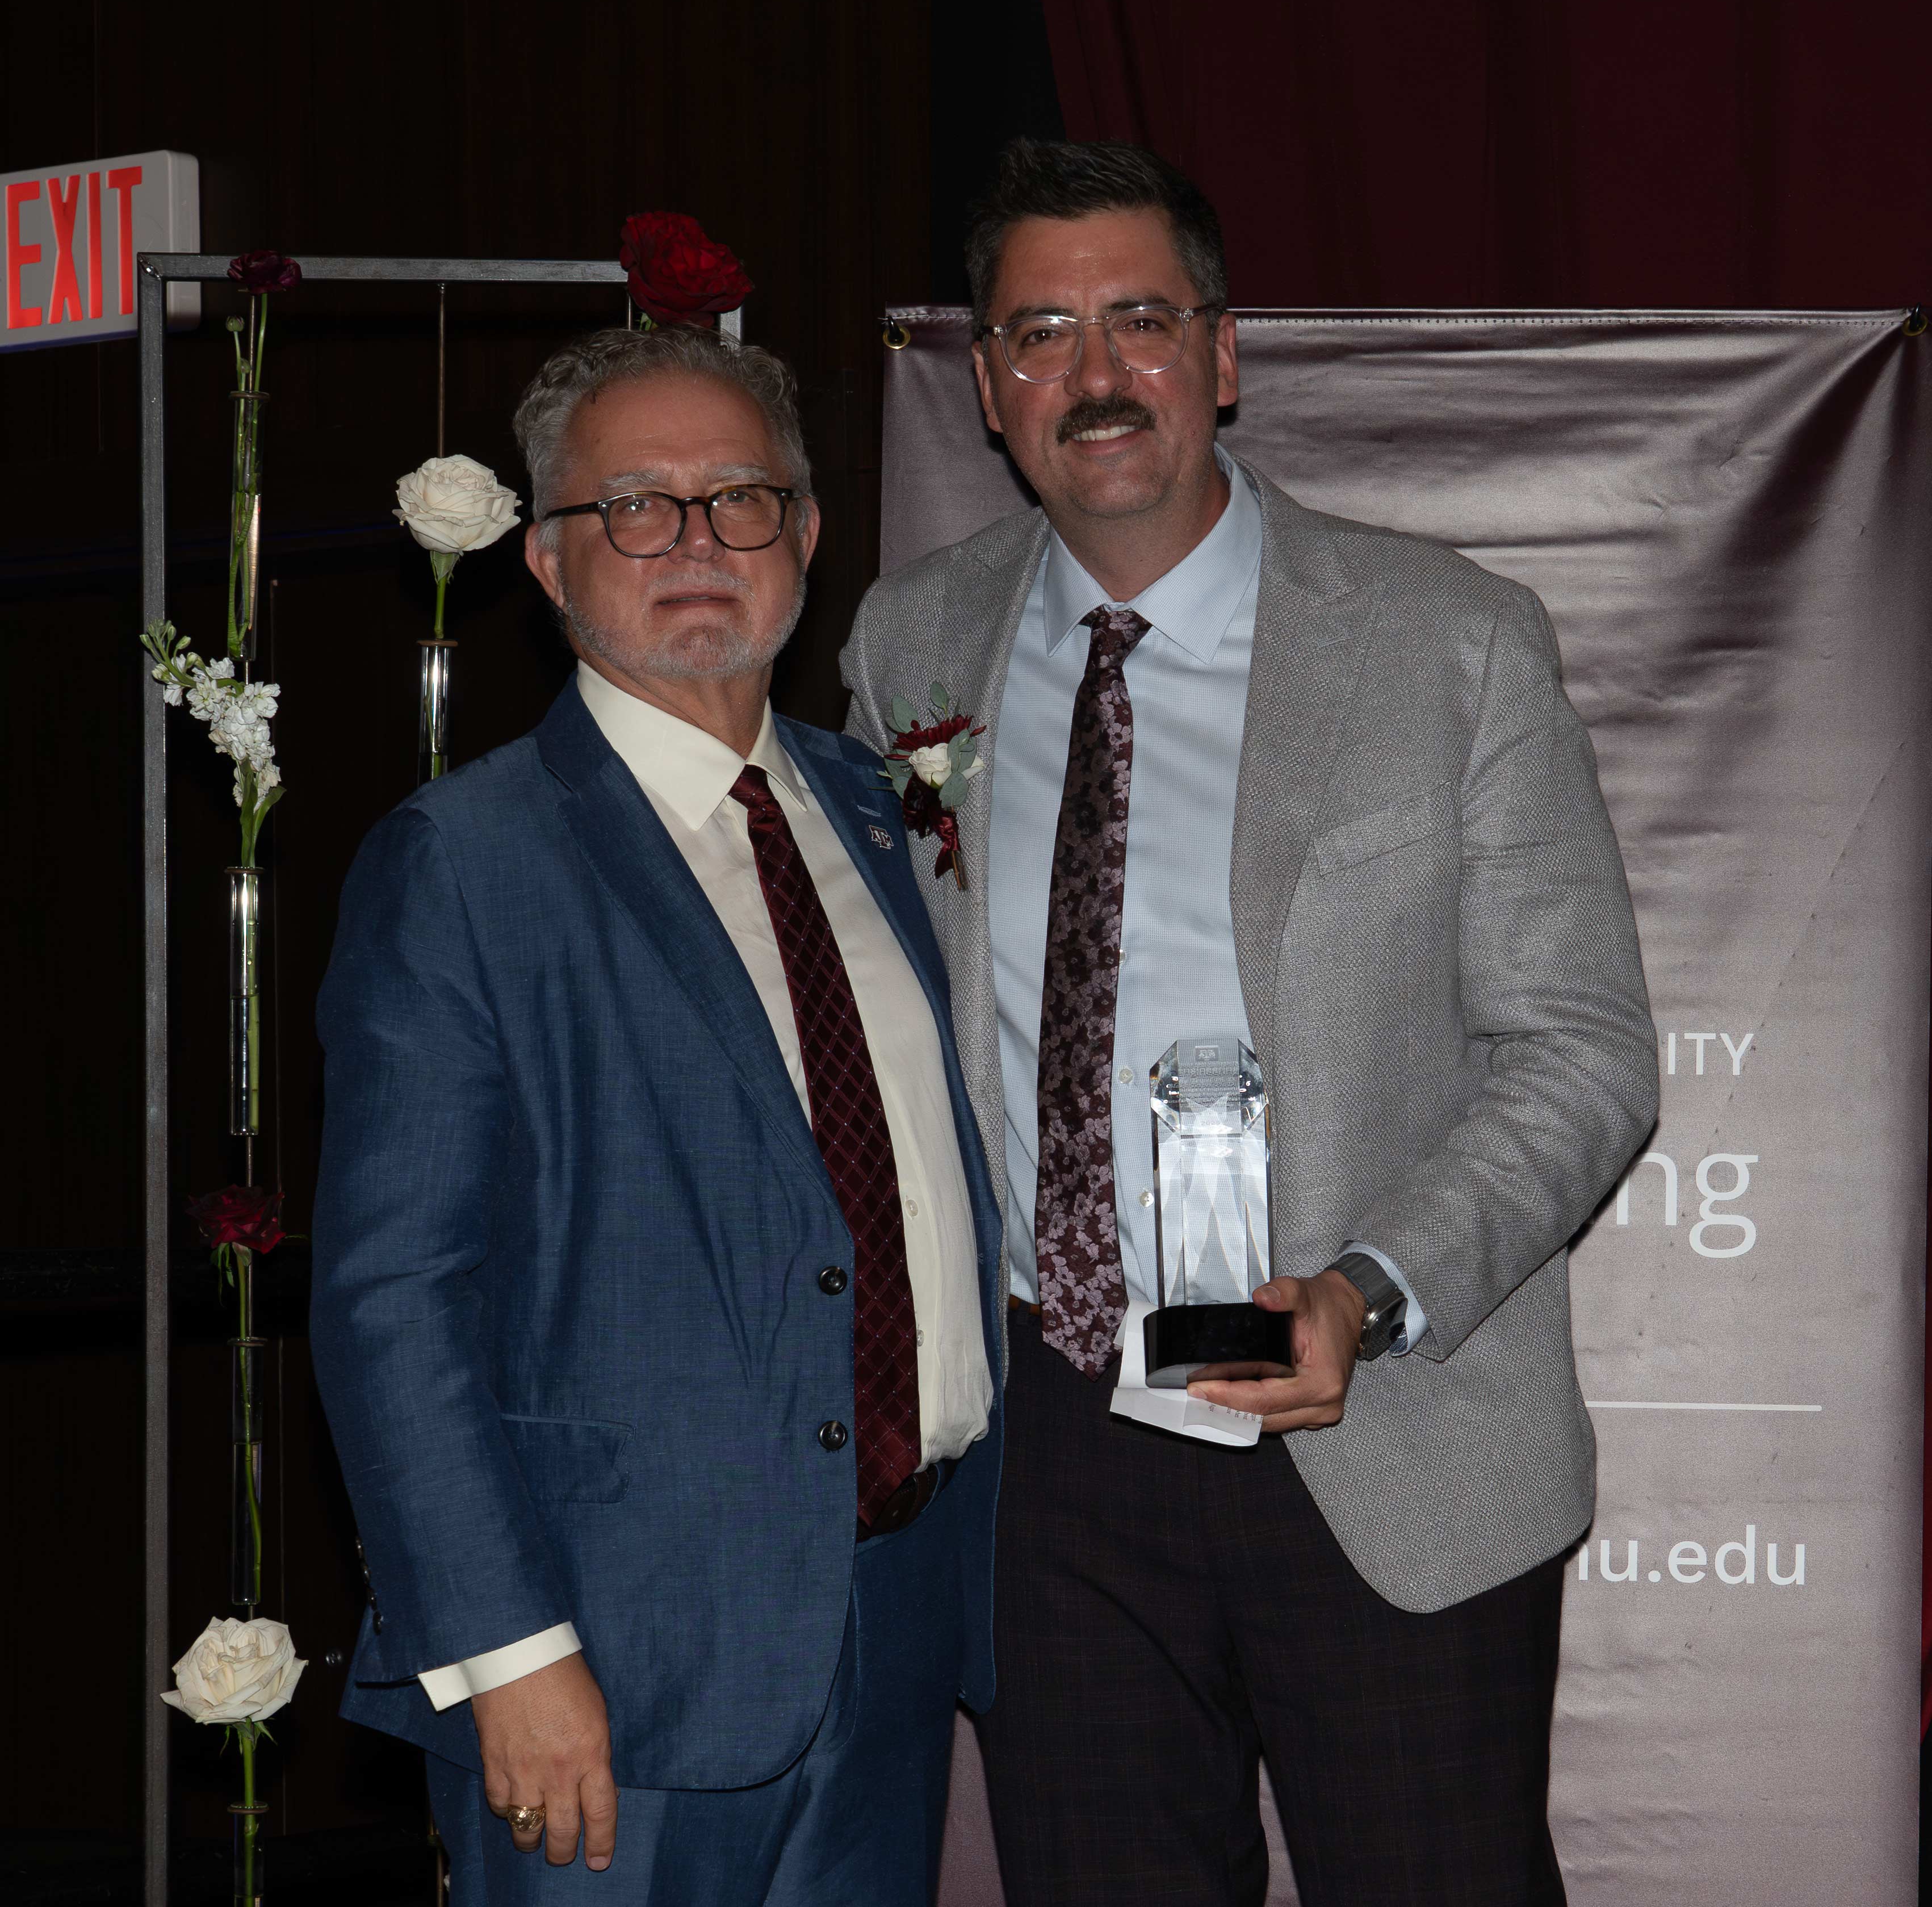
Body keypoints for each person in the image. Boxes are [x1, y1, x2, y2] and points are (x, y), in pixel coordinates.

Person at [840, 139, 1658, 1907]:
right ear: (985, 388)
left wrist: (1364, 1289)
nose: (1096, 372)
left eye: (1141, 319)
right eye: (1041, 332)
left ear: (1223, 355)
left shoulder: (1451, 641)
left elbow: (1582, 1049)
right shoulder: (909, 644)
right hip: (1050, 1452)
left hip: (1373, 1421)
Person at [311, 324, 1004, 1906]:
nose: (695, 542)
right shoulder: (463, 866)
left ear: (808, 539)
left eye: (738, 499)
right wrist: (506, 1648)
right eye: (634, 506)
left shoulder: (880, 820)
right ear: (549, 562)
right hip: (605, 1659)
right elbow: (387, 1296)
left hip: (896, 1620)